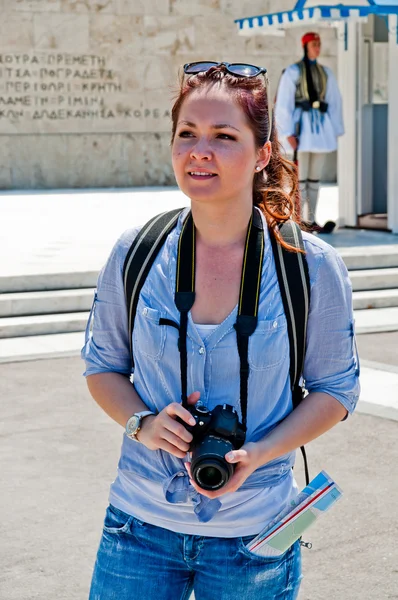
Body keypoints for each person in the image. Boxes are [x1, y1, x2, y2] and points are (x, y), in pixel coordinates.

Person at [82, 61, 359, 600]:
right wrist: (142, 422)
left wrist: (259, 452)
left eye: (223, 136)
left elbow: (336, 390)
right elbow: (102, 367)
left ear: (262, 155)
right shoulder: (136, 252)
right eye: (187, 133)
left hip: (254, 535)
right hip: (138, 527)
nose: (198, 150)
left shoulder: (310, 266)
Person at [275, 32, 344, 231]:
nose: (317, 47)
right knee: (301, 177)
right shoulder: (293, 71)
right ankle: (298, 218)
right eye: (314, 44)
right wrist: (287, 132)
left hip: (320, 129)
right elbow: (284, 103)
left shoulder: (326, 73)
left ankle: (312, 219)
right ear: (305, 46)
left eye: (319, 43)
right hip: (301, 128)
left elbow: (334, 101)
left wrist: (335, 129)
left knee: (315, 177)